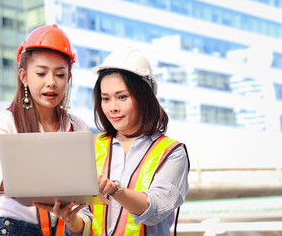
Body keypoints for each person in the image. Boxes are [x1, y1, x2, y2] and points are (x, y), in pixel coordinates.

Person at [39, 46, 190, 235]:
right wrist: (71, 219)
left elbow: (155, 210)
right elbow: (85, 220)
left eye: (122, 97)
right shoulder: (91, 146)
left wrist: (116, 190)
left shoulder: (171, 152)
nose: (112, 108)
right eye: (105, 98)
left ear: (145, 97)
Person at [0, 24, 92, 236]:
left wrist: (73, 217)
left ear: (68, 78)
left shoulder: (78, 127)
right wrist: (61, 180)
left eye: (60, 75)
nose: (51, 83)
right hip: (12, 229)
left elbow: (83, 201)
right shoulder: (6, 121)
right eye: (41, 73)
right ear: (23, 76)